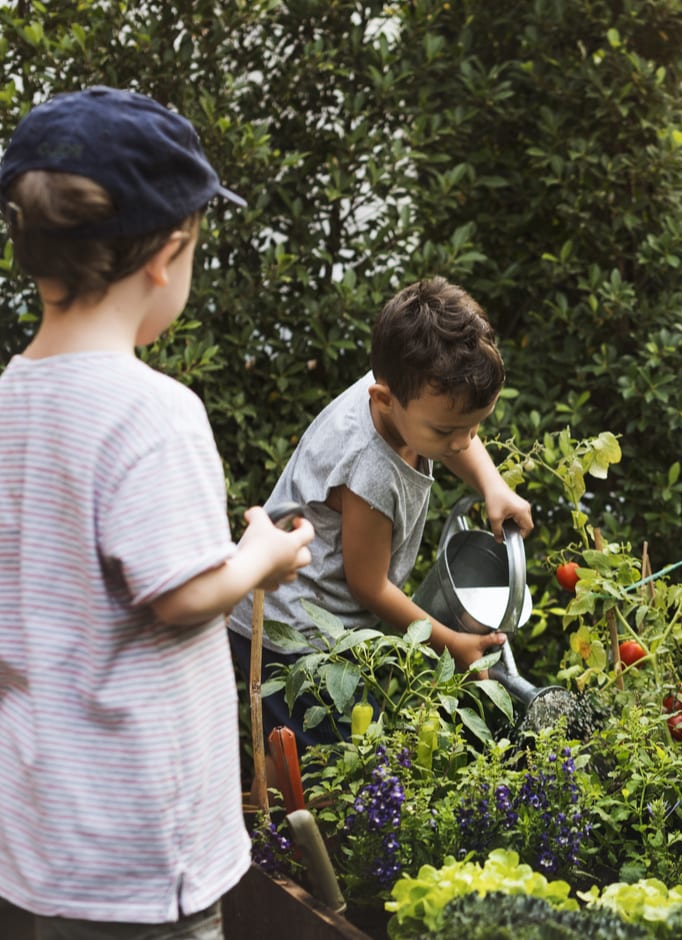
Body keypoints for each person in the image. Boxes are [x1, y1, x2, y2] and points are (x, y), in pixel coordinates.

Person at [0, 87, 315, 937]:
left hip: (39, 829)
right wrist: (260, 556)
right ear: (165, 255)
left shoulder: (11, 400)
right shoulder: (153, 412)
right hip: (143, 843)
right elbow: (178, 594)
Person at [226, 276, 533, 747]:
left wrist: (493, 485)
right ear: (383, 399)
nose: (463, 443)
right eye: (448, 431)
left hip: (332, 627)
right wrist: (453, 644)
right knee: (316, 765)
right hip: (294, 636)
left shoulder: (408, 389)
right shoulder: (370, 467)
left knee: (351, 749)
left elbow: (452, 432)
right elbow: (367, 585)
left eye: (474, 427)